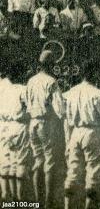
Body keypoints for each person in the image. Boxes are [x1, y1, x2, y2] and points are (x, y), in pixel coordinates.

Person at [62, 58, 100, 209]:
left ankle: (68, 207)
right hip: (92, 132)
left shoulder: (69, 93)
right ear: (94, 74)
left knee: (73, 170)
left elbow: (64, 115)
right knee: (93, 171)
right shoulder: (98, 94)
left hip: (75, 132)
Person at [26, 49, 65, 208]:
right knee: (49, 162)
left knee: (38, 160)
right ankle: (49, 202)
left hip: (33, 122)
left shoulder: (31, 81)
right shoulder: (51, 82)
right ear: (50, 65)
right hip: (46, 123)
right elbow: (60, 109)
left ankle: (38, 201)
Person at [1, 61, 30, 201]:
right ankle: (18, 196)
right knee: (20, 160)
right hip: (20, 126)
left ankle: (6, 194)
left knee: (6, 160)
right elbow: (30, 107)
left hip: (4, 126)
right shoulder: (23, 89)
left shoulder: (3, 88)